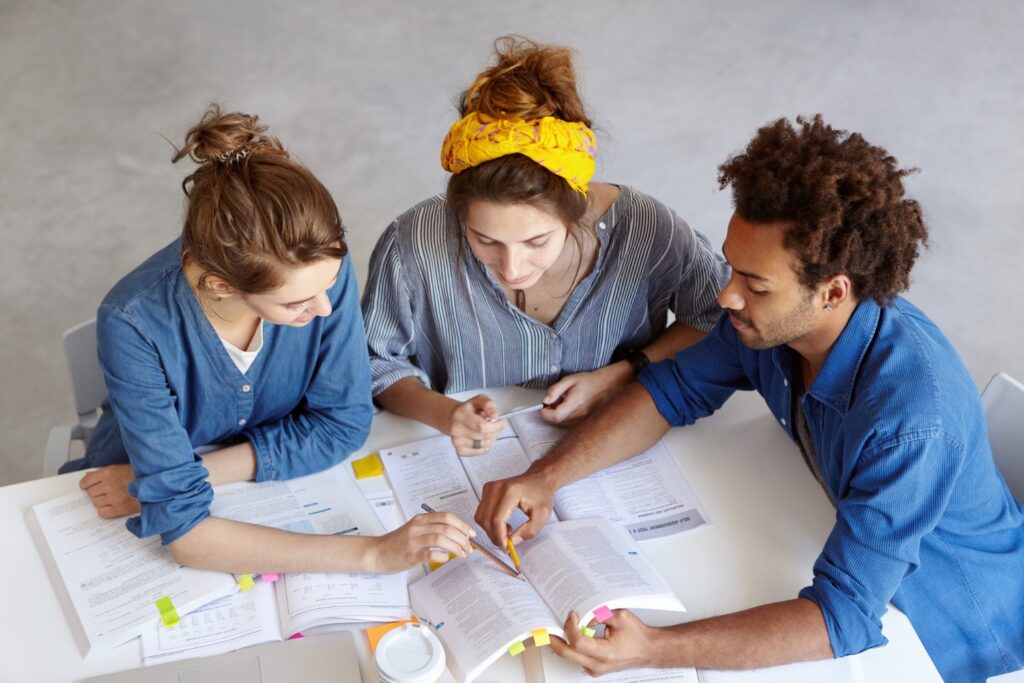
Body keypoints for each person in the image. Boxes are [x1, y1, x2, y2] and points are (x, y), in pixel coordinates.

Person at [475, 115, 1024, 681]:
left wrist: (653, 648)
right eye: (735, 269)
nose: (726, 295)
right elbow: (673, 390)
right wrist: (547, 476)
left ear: (832, 291)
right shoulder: (770, 325)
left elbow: (841, 620)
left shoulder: (912, 421)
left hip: (952, 638)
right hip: (833, 546)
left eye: (755, 285)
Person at [65, 105, 474, 575]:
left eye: (329, 285)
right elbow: (188, 537)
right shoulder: (133, 323)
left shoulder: (316, 267)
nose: (324, 308)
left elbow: (344, 423)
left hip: (172, 479)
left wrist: (182, 479)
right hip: (120, 483)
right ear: (222, 285)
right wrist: (373, 554)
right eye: (296, 304)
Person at [361, 36, 729, 455]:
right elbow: (375, 362)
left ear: (577, 209)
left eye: (537, 241)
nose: (512, 267)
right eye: (485, 240)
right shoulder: (413, 241)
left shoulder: (647, 228)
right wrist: (446, 414)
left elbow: (714, 315)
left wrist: (624, 374)